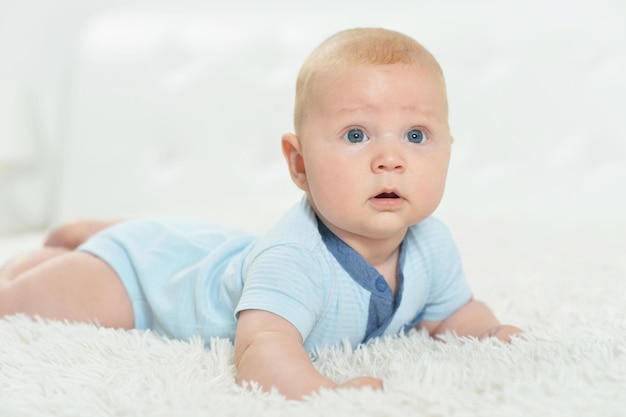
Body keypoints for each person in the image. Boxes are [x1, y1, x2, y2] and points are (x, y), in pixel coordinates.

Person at [0, 28, 521, 399]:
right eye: (356, 135)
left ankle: (98, 231)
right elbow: (263, 350)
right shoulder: (293, 258)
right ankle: (105, 246)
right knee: (23, 298)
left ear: (449, 148)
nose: (391, 158)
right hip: (147, 280)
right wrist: (319, 392)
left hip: (217, 249)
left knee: (209, 247)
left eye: (416, 135)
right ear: (299, 163)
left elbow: (453, 313)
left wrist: (493, 333)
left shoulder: (433, 244)